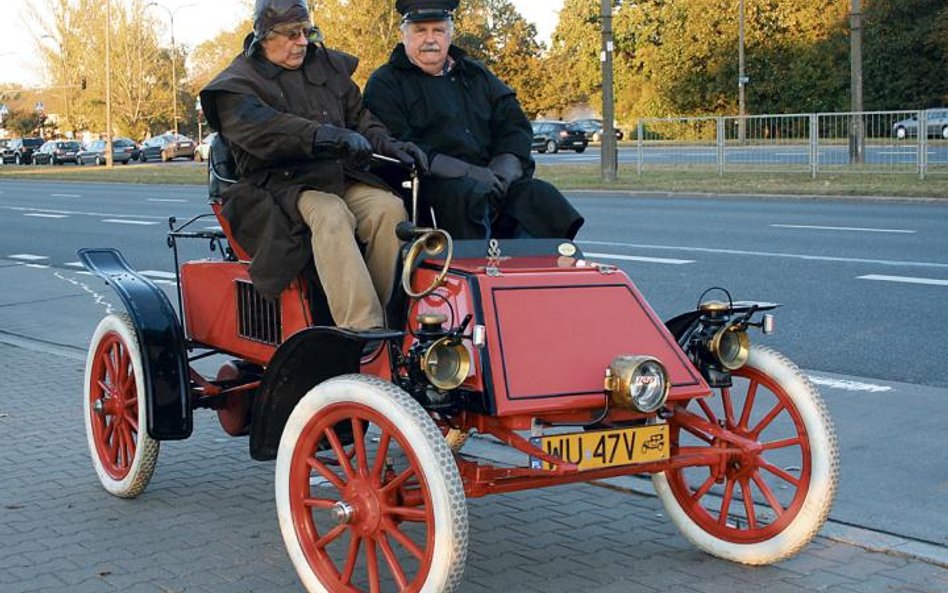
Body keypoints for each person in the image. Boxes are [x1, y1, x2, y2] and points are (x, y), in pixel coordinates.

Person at [200, 0, 428, 330]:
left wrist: (392, 147)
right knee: (331, 213)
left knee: (388, 209)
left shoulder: (326, 66)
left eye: (307, 32)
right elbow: (266, 128)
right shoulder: (236, 84)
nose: (303, 42)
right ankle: (363, 329)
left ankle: (391, 319)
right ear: (264, 34)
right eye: (292, 34)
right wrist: (326, 136)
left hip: (335, 175)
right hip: (275, 187)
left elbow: (361, 119)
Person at [364, 0, 584, 241]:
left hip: (493, 178)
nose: (430, 39)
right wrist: (470, 173)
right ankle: (479, 273)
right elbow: (398, 145)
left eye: (438, 30)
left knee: (540, 196)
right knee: (469, 195)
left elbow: (513, 123)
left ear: (450, 33)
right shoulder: (385, 83)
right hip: (431, 184)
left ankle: (534, 272)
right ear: (404, 35)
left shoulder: (476, 74)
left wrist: (505, 170)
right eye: (420, 30)